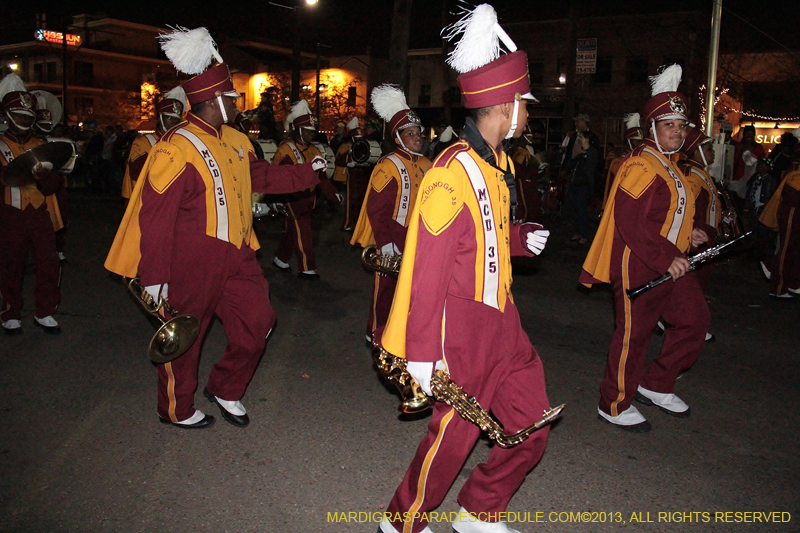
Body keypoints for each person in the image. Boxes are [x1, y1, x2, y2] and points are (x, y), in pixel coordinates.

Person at [377, 6, 552, 533]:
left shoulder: (499, 163)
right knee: (452, 436)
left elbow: (483, 240)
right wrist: (423, 352)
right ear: (505, 105)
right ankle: (401, 520)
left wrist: (519, 239)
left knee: (533, 424)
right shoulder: (450, 172)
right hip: (461, 327)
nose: (528, 113)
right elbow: (427, 269)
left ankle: (480, 510)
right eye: (525, 104)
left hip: (503, 320)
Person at [105, 27, 329, 429]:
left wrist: (305, 173)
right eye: (231, 98)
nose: (237, 103)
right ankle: (175, 408)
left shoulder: (237, 139)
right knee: (187, 336)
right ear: (213, 102)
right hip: (193, 258)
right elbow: (154, 217)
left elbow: (261, 177)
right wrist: (155, 275)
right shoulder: (175, 146)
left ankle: (226, 386)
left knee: (259, 322)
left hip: (239, 253)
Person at [581, 64, 710, 433]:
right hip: (638, 262)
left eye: (681, 125)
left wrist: (691, 235)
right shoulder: (641, 164)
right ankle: (614, 402)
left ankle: (655, 383)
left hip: (671, 261)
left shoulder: (672, 166)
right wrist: (666, 257)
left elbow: (670, 216)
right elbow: (631, 223)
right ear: (653, 128)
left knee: (695, 320)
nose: (677, 131)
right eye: (669, 124)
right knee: (633, 334)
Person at [350, 84, 431, 346]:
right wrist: (385, 243)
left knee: (414, 290)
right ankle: (375, 331)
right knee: (385, 289)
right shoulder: (389, 165)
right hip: (393, 235)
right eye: (410, 134)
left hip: (419, 237)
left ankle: (403, 333)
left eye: (418, 133)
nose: (417, 138)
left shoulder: (428, 164)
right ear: (397, 138)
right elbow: (377, 209)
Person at [0, 73, 64, 335]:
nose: (25, 120)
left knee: (49, 262)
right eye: (20, 115)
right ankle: (10, 312)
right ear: (8, 116)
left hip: (39, 212)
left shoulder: (41, 144)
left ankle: (45, 311)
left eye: (29, 116)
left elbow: (54, 186)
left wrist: (45, 178)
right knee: (10, 263)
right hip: (8, 212)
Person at [271, 99, 342, 279]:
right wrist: (276, 200)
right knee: (304, 232)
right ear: (299, 130)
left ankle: (280, 258)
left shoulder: (314, 151)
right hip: (292, 198)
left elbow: (321, 178)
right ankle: (306, 268)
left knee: (293, 231)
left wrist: (333, 193)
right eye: (308, 132)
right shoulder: (286, 150)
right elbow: (278, 177)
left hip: (309, 199)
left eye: (313, 132)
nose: (311, 136)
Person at [678, 126, 719, 342]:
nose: (712, 153)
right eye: (708, 148)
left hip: (705, 235)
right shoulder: (692, 176)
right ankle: (692, 325)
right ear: (696, 151)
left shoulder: (699, 173)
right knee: (694, 283)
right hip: (697, 237)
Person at [121, 86, 186, 203]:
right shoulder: (143, 142)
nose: (174, 122)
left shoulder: (181, 142)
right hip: (145, 201)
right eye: (170, 118)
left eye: (177, 120)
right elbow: (138, 173)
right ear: (160, 118)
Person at [758, 167, 800, 298]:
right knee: (788, 249)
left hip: (793, 216)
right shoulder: (795, 178)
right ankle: (778, 286)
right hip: (792, 217)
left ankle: (792, 283)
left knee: (795, 250)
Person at [335, 117, 370, 231]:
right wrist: (348, 163)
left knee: (361, 201)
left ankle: (358, 224)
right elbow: (338, 161)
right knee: (350, 202)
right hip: (351, 176)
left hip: (362, 175)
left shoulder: (362, 145)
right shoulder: (345, 147)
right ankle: (347, 224)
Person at [565, 131, 599, 245]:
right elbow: (570, 164)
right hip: (576, 185)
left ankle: (584, 234)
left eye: (583, 139)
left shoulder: (592, 154)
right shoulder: (581, 155)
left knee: (582, 209)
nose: (581, 141)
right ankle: (579, 231)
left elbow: (589, 170)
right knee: (576, 209)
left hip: (584, 186)